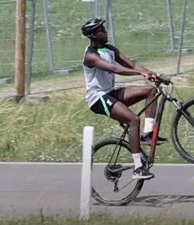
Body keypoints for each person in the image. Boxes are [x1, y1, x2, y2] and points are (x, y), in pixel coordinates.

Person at [81, 18, 167, 180]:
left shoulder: (110, 49)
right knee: (133, 120)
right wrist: (139, 74)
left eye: (104, 29)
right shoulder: (90, 56)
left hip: (110, 93)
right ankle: (138, 168)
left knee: (151, 91)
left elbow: (132, 65)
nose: (105, 32)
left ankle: (147, 134)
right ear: (93, 35)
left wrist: (153, 75)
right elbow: (114, 68)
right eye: (101, 30)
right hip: (98, 98)